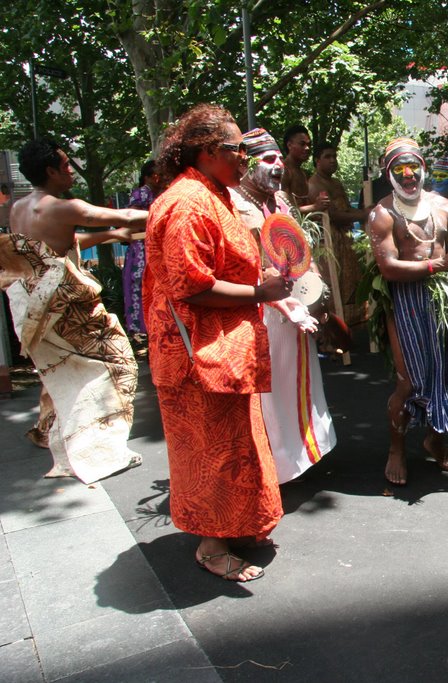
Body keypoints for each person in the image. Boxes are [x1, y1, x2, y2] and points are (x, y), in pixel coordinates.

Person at [145, 104, 292, 582]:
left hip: (224, 350)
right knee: (210, 451)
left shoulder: (214, 193)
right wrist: (260, 291)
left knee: (238, 444)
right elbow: (191, 285)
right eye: (237, 151)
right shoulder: (188, 203)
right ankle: (211, 546)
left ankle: (238, 525)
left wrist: (260, 278)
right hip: (196, 358)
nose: (245, 160)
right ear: (208, 153)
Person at [2, 139, 144, 484]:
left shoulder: (19, 209)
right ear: (50, 171)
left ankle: (57, 434)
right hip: (63, 308)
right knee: (118, 363)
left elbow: (58, 245)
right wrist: (182, 207)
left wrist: (114, 235)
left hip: (31, 307)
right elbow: (124, 213)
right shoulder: (64, 207)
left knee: (61, 370)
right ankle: (99, 449)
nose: (70, 170)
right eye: (65, 165)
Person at [368, 137, 448, 485]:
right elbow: (388, 268)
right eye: (399, 169)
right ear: (388, 174)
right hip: (406, 303)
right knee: (409, 381)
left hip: (444, 302)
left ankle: (436, 439)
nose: (407, 176)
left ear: (422, 168)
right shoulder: (382, 214)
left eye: (413, 167)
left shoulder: (443, 206)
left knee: (446, 374)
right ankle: (396, 448)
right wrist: (440, 266)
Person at [229, 128, 337, 484]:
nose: (277, 166)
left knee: (298, 385)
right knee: (271, 393)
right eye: (269, 159)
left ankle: (301, 458)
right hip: (263, 313)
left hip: (296, 312)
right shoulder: (233, 204)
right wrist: (285, 304)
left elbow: (302, 252)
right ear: (247, 163)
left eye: (279, 158)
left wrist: (317, 293)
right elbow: (246, 267)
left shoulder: (283, 202)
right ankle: (274, 470)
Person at [307, 141, 370, 324]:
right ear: (317, 161)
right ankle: (332, 336)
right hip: (328, 244)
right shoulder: (314, 184)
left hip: (345, 242)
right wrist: (364, 214)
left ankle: (349, 331)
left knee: (348, 287)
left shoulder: (336, 182)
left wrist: (364, 213)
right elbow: (334, 216)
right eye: (327, 157)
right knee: (333, 290)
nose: (333, 160)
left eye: (334, 156)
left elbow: (347, 209)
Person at [122, 160, 159, 342]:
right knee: (142, 286)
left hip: (151, 247)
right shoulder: (141, 193)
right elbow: (133, 223)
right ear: (148, 177)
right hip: (141, 250)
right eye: (156, 175)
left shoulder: (156, 193)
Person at [281, 124, 328, 215]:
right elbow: (284, 210)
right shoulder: (284, 171)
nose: (307, 148)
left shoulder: (303, 173)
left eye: (309, 144)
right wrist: (315, 207)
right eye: (302, 144)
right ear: (289, 145)